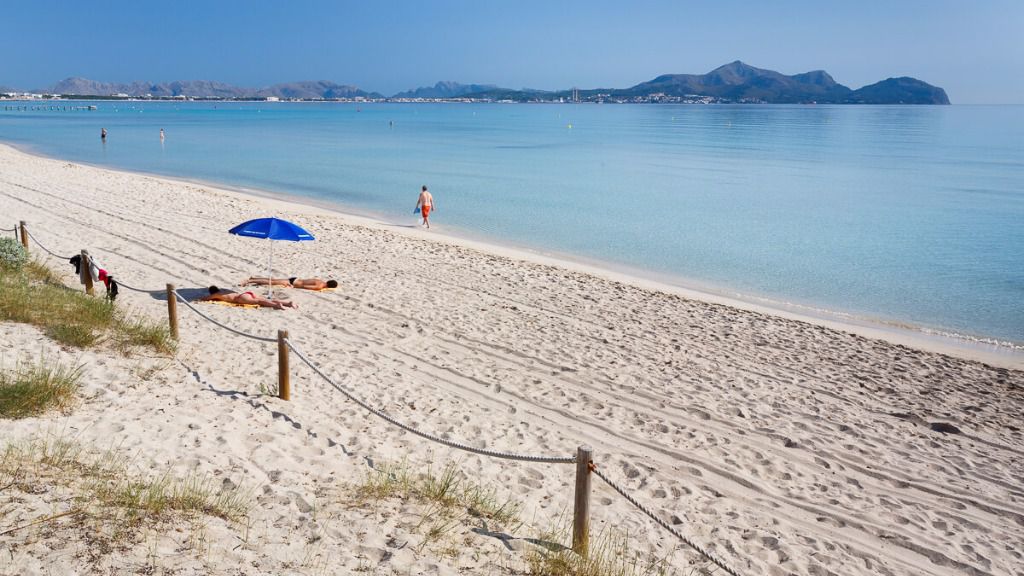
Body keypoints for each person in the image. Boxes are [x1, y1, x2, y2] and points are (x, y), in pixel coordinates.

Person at [197, 286, 298, 309]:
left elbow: (205, 298)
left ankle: (277, 305)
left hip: (241, 298)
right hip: (247, 293)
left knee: (260, 302)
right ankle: (288, 303)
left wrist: (200, 299)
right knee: (265, 299)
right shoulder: (225, 291)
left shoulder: (217, 294)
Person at [240, 276, 338, 290]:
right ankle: (250, 281)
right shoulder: (320, 286)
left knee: (274, 280)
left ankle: (254, 278)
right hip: (294, 283)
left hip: (295, 278)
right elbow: (304, 286)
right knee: (272, 282)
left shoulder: (320, 281)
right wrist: (292, 286)